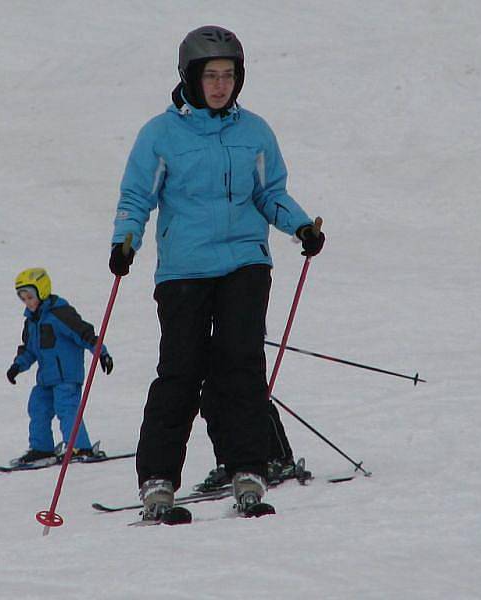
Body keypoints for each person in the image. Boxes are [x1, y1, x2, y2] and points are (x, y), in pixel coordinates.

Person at [108, 25, 325, 519]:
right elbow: (137, 197)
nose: (221, 85)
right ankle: (158, 479)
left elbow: (270, 193)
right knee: (181, 369)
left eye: (229, 75)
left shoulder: (255, 132)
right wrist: (125, 241)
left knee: (240, 364)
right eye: (212, 75)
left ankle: (246, 467)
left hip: (245, 262)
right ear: (191, 77)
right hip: (184, 269)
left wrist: (300, 226)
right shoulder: (160, 134)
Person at [6, 267, 114, 466]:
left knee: (67, 409)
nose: (27, 303)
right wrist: (17, 367)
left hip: (66, 377)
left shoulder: (60, 314)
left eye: (30, 297)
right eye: (23, 299)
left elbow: (85, 335)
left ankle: (80, 447)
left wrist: (102, 353)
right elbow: (29, 349)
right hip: (46, 378)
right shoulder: (31, 322)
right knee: (38, 407)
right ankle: (42, 448)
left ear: (42, 290)